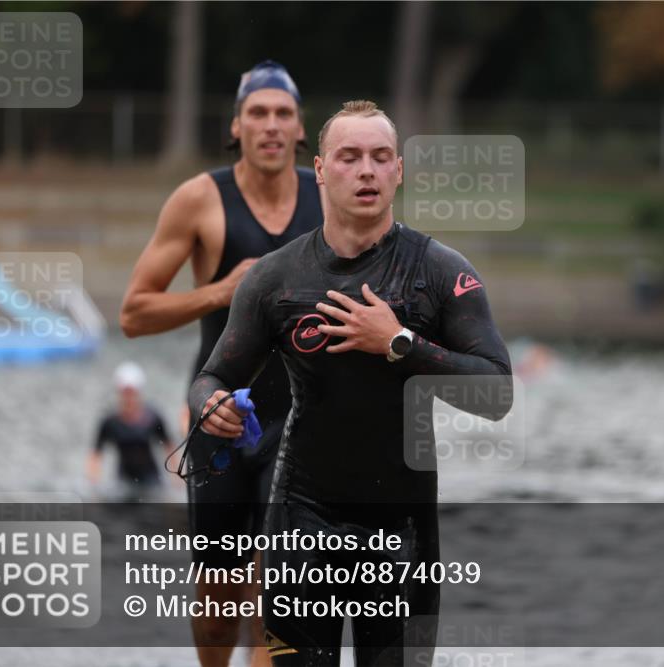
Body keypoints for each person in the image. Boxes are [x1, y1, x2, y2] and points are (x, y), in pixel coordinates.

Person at [190, 100, 512, 666]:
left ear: (399, 172)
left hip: (403, 528)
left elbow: (496, 393)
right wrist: (211, 405)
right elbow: (213, 375)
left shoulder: (440, 272)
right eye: (350, 157)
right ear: (319, 169)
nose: (366, 170)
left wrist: (399, 344)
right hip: (303, 519)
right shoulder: (275, 278)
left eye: (381, 157)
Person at [119, 60, 323, 667]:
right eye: (257, 113)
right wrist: (221, 289)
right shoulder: (200, 199)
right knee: (218, 605)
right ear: (236, 126)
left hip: (303, 426)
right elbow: (134, 313)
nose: (270, 125)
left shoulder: (328, 194)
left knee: (275, 598)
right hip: (219, 419)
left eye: (283, 114)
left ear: (300, 128)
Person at [89, 362, 172, 501]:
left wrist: (177, 481)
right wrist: (93, 484)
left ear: (139, 393)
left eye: (132, 393)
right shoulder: (110, 422)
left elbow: (169, 447)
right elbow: (96, 454)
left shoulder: (153, 418)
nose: (128, 398)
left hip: (152, 480)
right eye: (124, 393)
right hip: (123, 481)